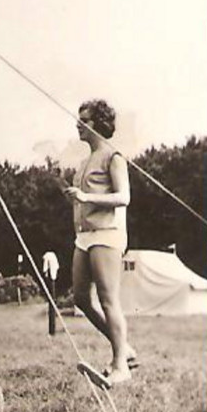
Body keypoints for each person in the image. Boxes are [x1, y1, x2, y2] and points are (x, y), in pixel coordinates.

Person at [65, 98, 137, 385]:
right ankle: (125, 348)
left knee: (108, 300)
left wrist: (86, 197)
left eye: (84, 119)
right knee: (81, 298)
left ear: (99, 124)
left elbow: (124, 197)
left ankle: (121, 365)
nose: (78, 124)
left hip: (107, 233)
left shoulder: (113, 155)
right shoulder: (83, 161)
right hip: (84, 236)